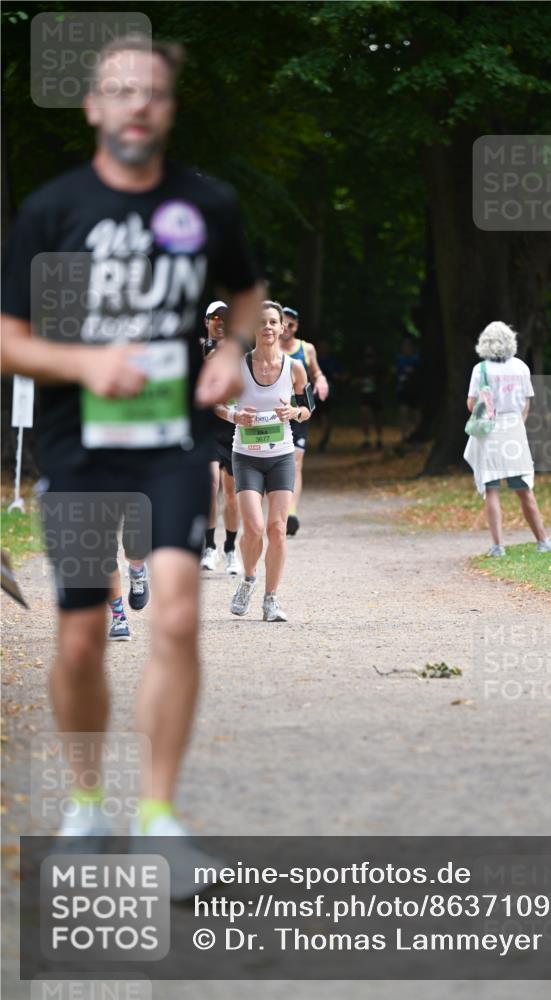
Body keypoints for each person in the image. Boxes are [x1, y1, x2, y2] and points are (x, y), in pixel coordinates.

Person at [1, 34, 262, 851]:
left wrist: (227, 351)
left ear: (168, 109)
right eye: (120, 90)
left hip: (173, 441)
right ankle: (87, 805)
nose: (137, 104)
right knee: (81, 633)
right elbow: (9, 336)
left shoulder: (204, 205)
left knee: (177, 618)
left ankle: (159, 817)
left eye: (151, 91)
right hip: (79, 443)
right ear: (93, 106)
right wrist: (84, 361)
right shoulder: (53, 209)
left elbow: (248, 294)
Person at [227, 301, 311, 622]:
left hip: (281, 456)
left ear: (281, 328)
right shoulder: (239, 367)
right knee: (254, 528)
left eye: (273, 322)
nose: (268, 327)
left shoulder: (294, 368)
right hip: (247, 457)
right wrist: (235, 415)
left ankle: (271, 598)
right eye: (261, 322)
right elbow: (218, 405)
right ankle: (248, 579)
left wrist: (294, 412)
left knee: (276, 528)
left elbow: (308, 408)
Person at [463, 321, 551, 557]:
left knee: (492, 489)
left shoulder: (481, 370)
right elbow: (527, 403)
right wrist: (516, 423)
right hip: (514, 430)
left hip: (489, 431)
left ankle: (498, 546)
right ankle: (542, 541)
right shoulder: (520, 367)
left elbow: (471, 404)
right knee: (523, 489)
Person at [200, 300, 241, 575]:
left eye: (225, 318)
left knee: (232, 494)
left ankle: (230, 549)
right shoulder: (199, 350)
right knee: (209, 485)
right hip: (207, 431)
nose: (220, 322)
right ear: (207, 322)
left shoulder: (241, 351)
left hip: (236, 429)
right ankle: (209, 547)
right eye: (215, 317)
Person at [279, 306, 328, 535]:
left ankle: (291, 512)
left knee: (296, 462)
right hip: (275, 412)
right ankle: (275, 511)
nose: (286, 328)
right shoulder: (269, 346)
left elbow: (316, 372)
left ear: (296, 327)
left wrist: (321, 381)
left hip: (299, 410)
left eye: (291, 324)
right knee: (278, 461)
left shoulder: (306, 348)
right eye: (283, 323)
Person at [395, 334, 422, 449]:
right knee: (403, 411)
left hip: (415, 390)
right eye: (404, 346)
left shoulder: (416, 360)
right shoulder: (399, 360)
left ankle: (416, 435)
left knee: (416, 413)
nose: (406, 348)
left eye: (408, 345)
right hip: (403, 390)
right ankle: (404, 436)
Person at [358, 344, 385, 450]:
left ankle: (379, 438)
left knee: (377, 417)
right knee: (364, 415)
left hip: (376, 395)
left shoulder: (379, 366)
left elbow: (385, 378)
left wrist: (377, 380)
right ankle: (366, 439)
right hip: (365, 395)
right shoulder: (361, 366)